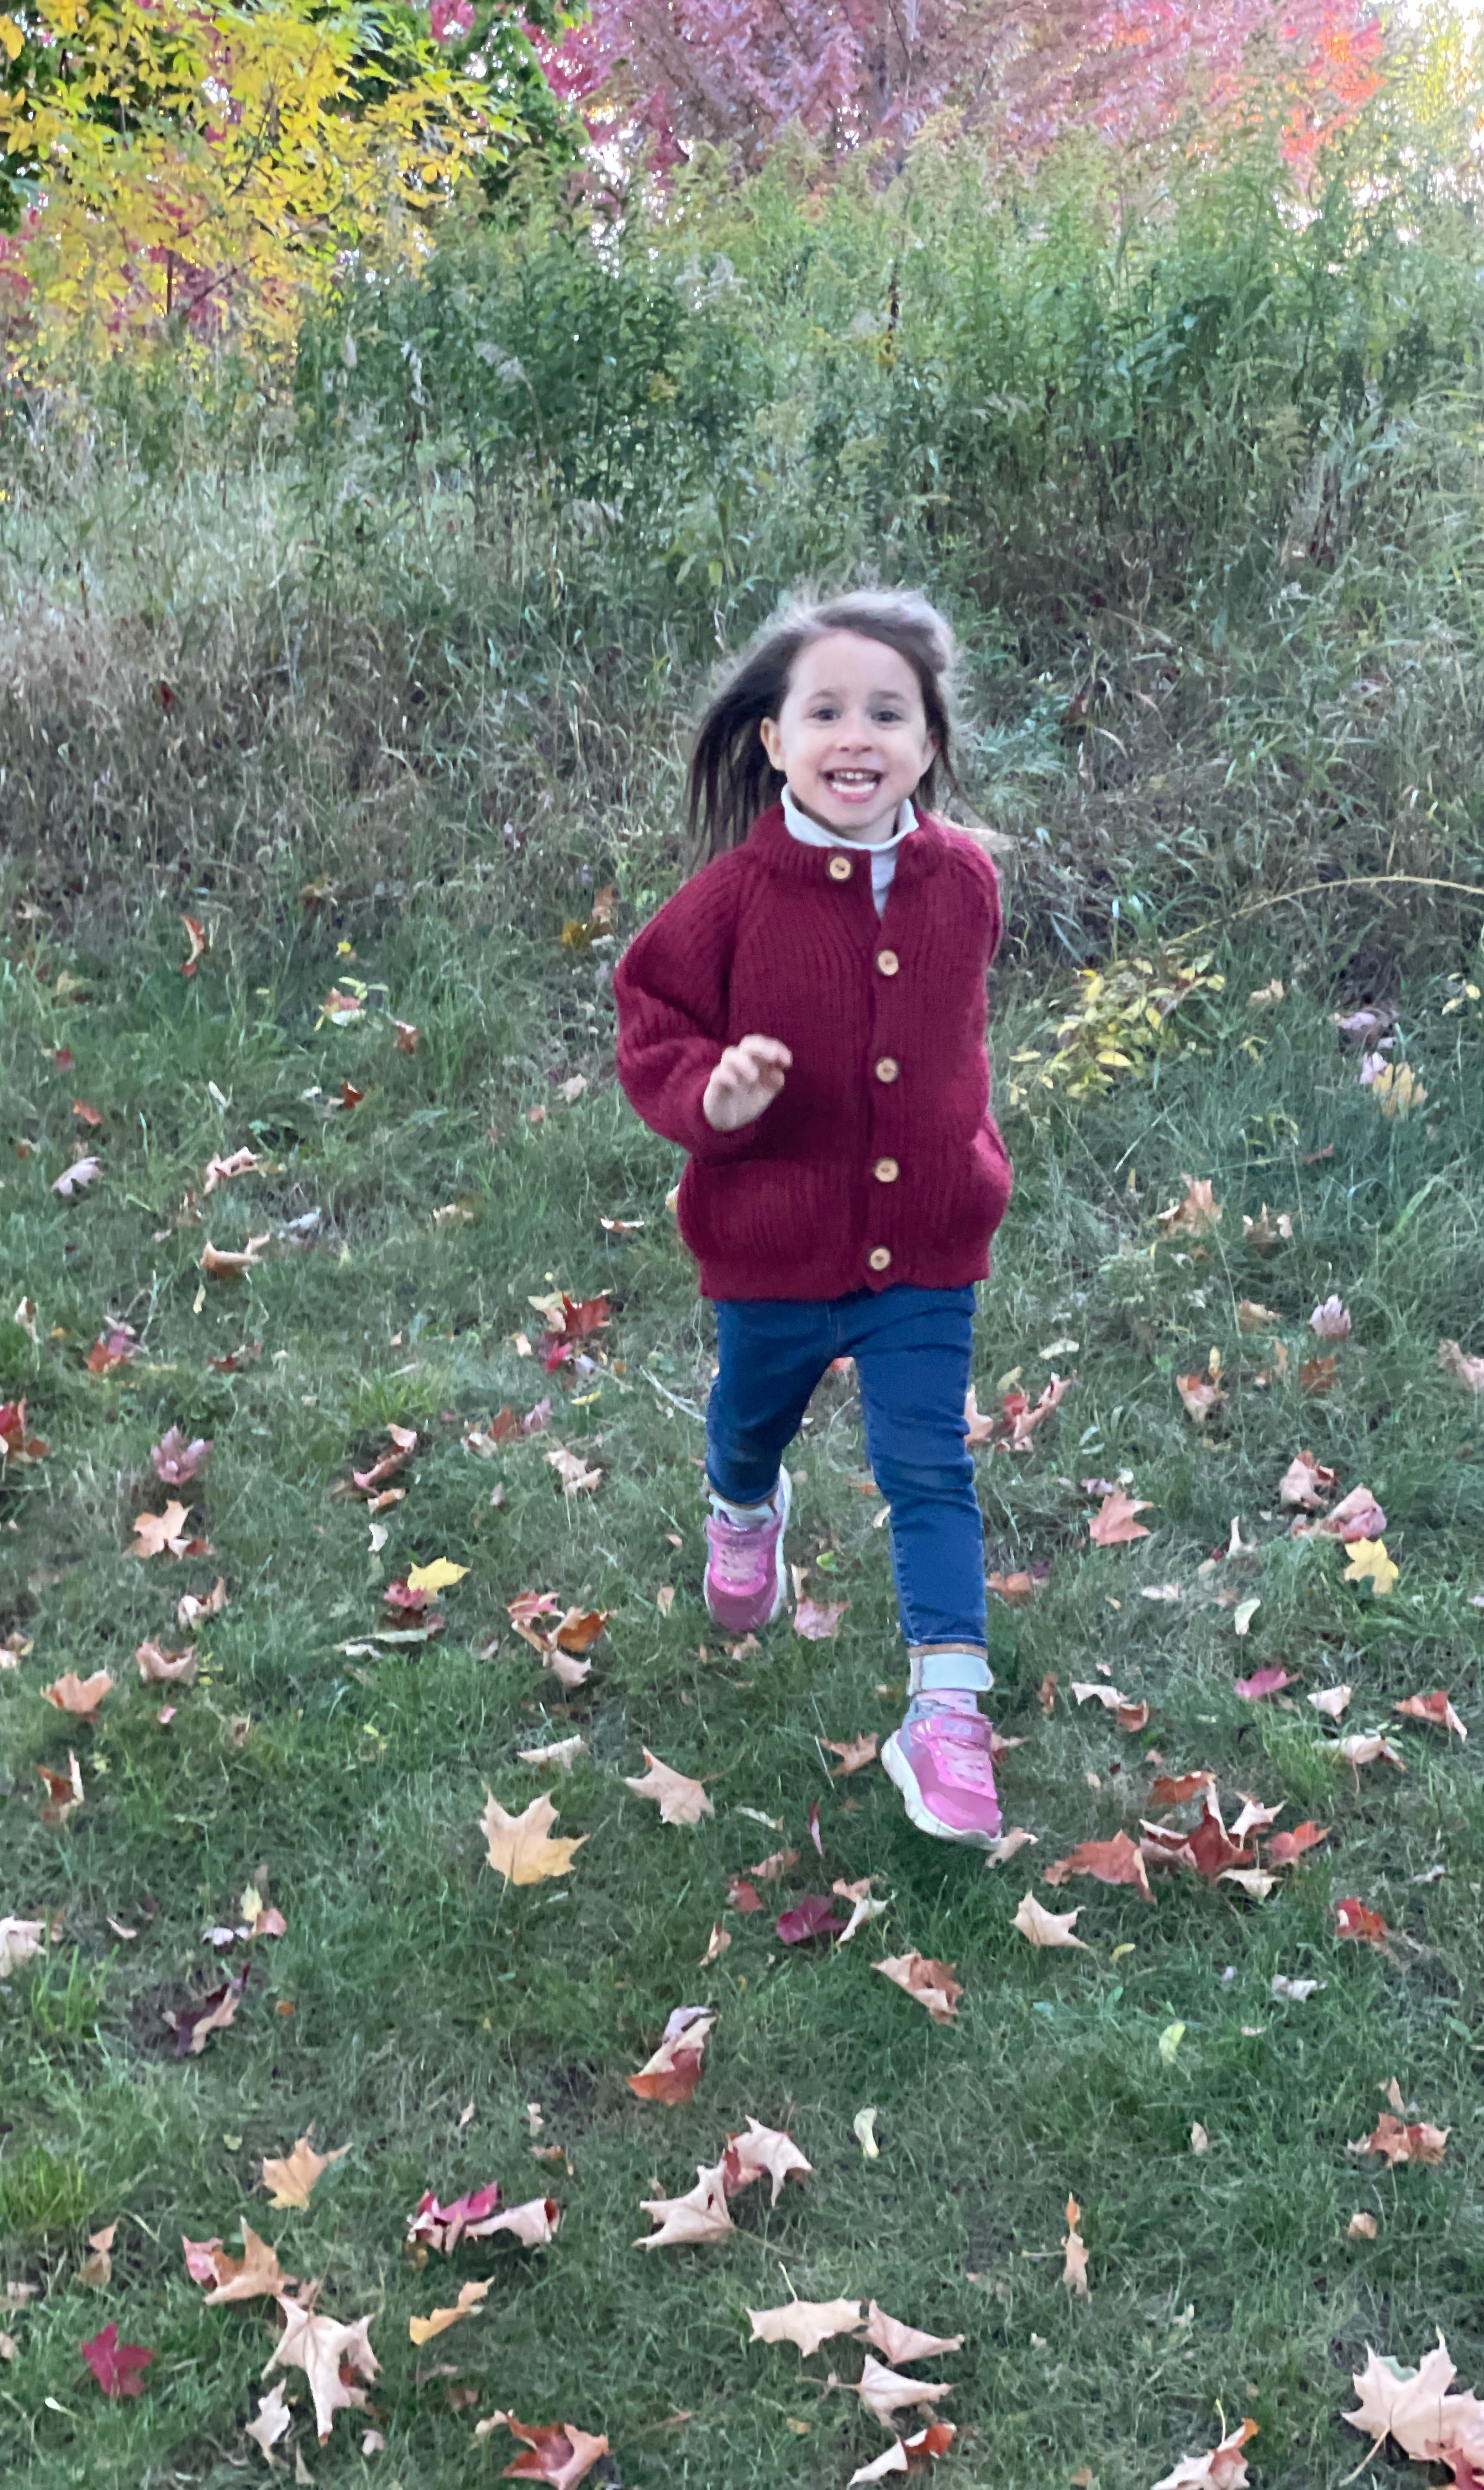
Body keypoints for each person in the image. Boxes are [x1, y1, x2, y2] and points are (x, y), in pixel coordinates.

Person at [613, 587, 1012, 1847]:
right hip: (774, 1248)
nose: (858, 734)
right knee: (750, 1418)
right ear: (775, 739)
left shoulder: (967, 884)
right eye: (826, 709)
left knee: (928, 1465)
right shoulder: (734, 898)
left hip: (925, 1256)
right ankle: (745, 1510)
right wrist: (712, 1095)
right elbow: (652, 1024)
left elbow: (952, 1052)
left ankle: (948, 1712)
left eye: (888, 712)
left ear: (930, 742)